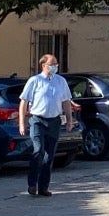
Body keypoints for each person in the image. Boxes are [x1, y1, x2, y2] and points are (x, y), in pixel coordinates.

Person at [18, 54, 74, 197]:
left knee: (49, 156)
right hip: (37, 120)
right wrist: (22, 123)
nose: (55, 66)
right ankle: (32, 183)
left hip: (54, 121)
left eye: (56, 64)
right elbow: (23, 102)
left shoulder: (61, 81)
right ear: (44, 65)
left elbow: (66, 101)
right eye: (52, 64)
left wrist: (69, 120)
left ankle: (43, 187)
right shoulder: (34, 81)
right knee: (38, 150)